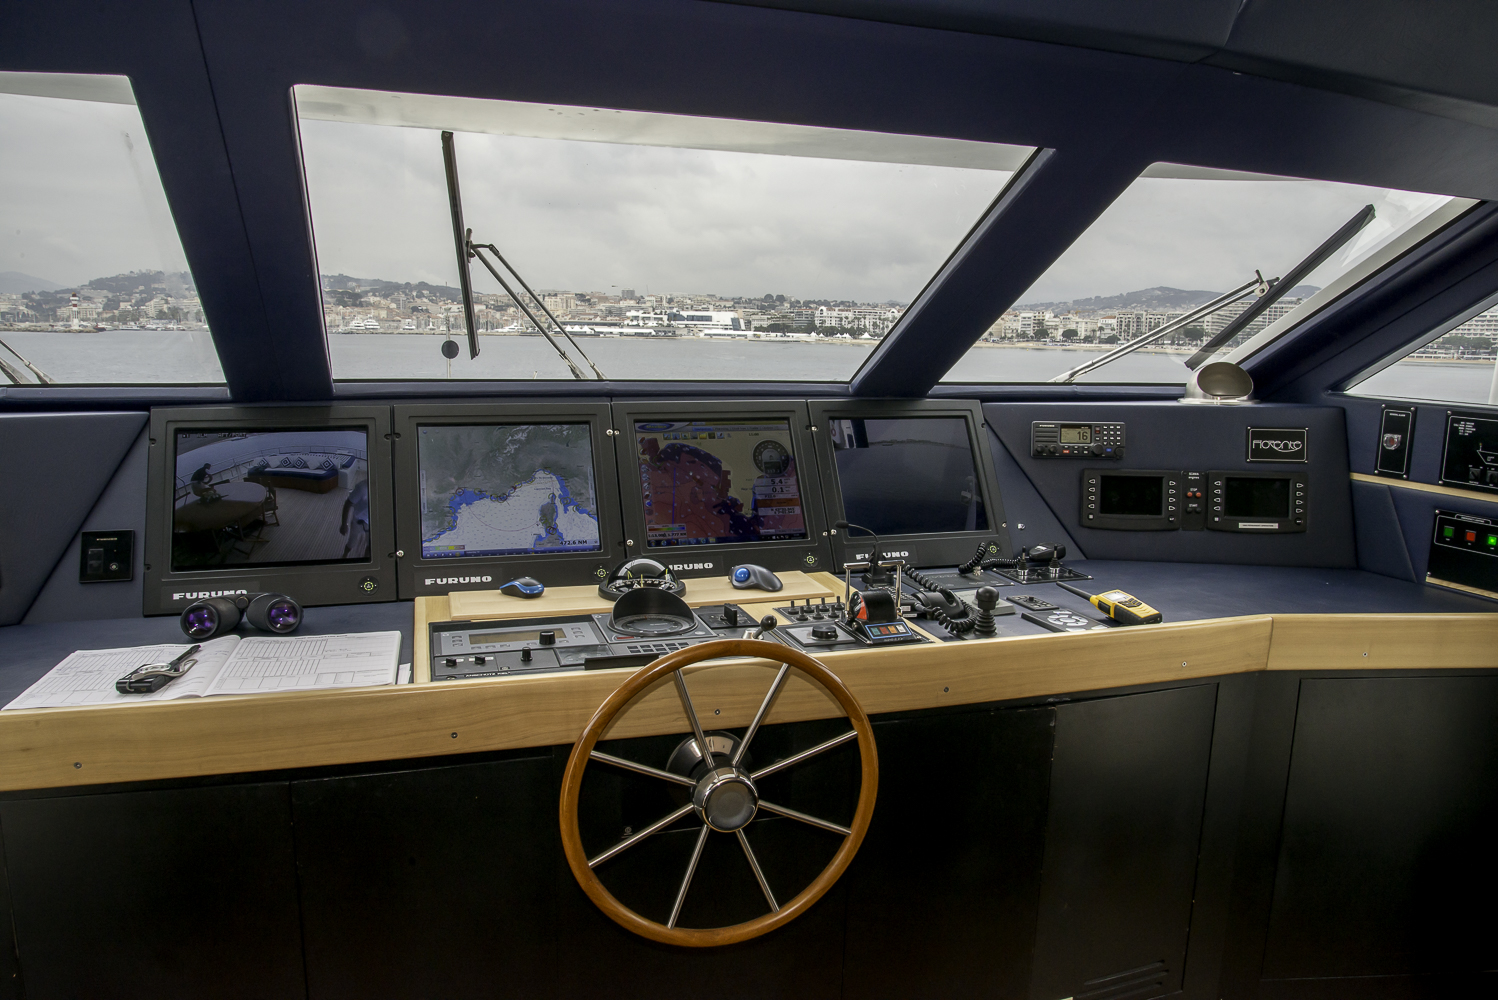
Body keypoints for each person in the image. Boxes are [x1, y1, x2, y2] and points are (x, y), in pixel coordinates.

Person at [340, 477, 370, 559]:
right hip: (358, 521)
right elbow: (347, 504)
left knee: (370, 545)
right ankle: (344, 555)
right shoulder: (362, 487)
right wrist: (344, 524)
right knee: (351, 542)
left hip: (374, 521)